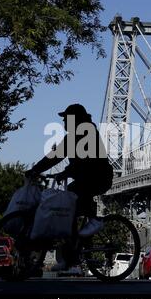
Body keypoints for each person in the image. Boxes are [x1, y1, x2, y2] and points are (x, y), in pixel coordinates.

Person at [25, 103, 113, 270]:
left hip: (98, 177)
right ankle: (73, 253)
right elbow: (56, 155)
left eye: (66, 118)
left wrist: (66, 172)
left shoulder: (87, 132)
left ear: (75, 119)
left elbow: (85, 161)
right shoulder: (74, 136)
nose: (64, 121)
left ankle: (93, 222)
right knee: (67, 208)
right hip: (85, 177)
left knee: (74, 195)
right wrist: (35, 169)